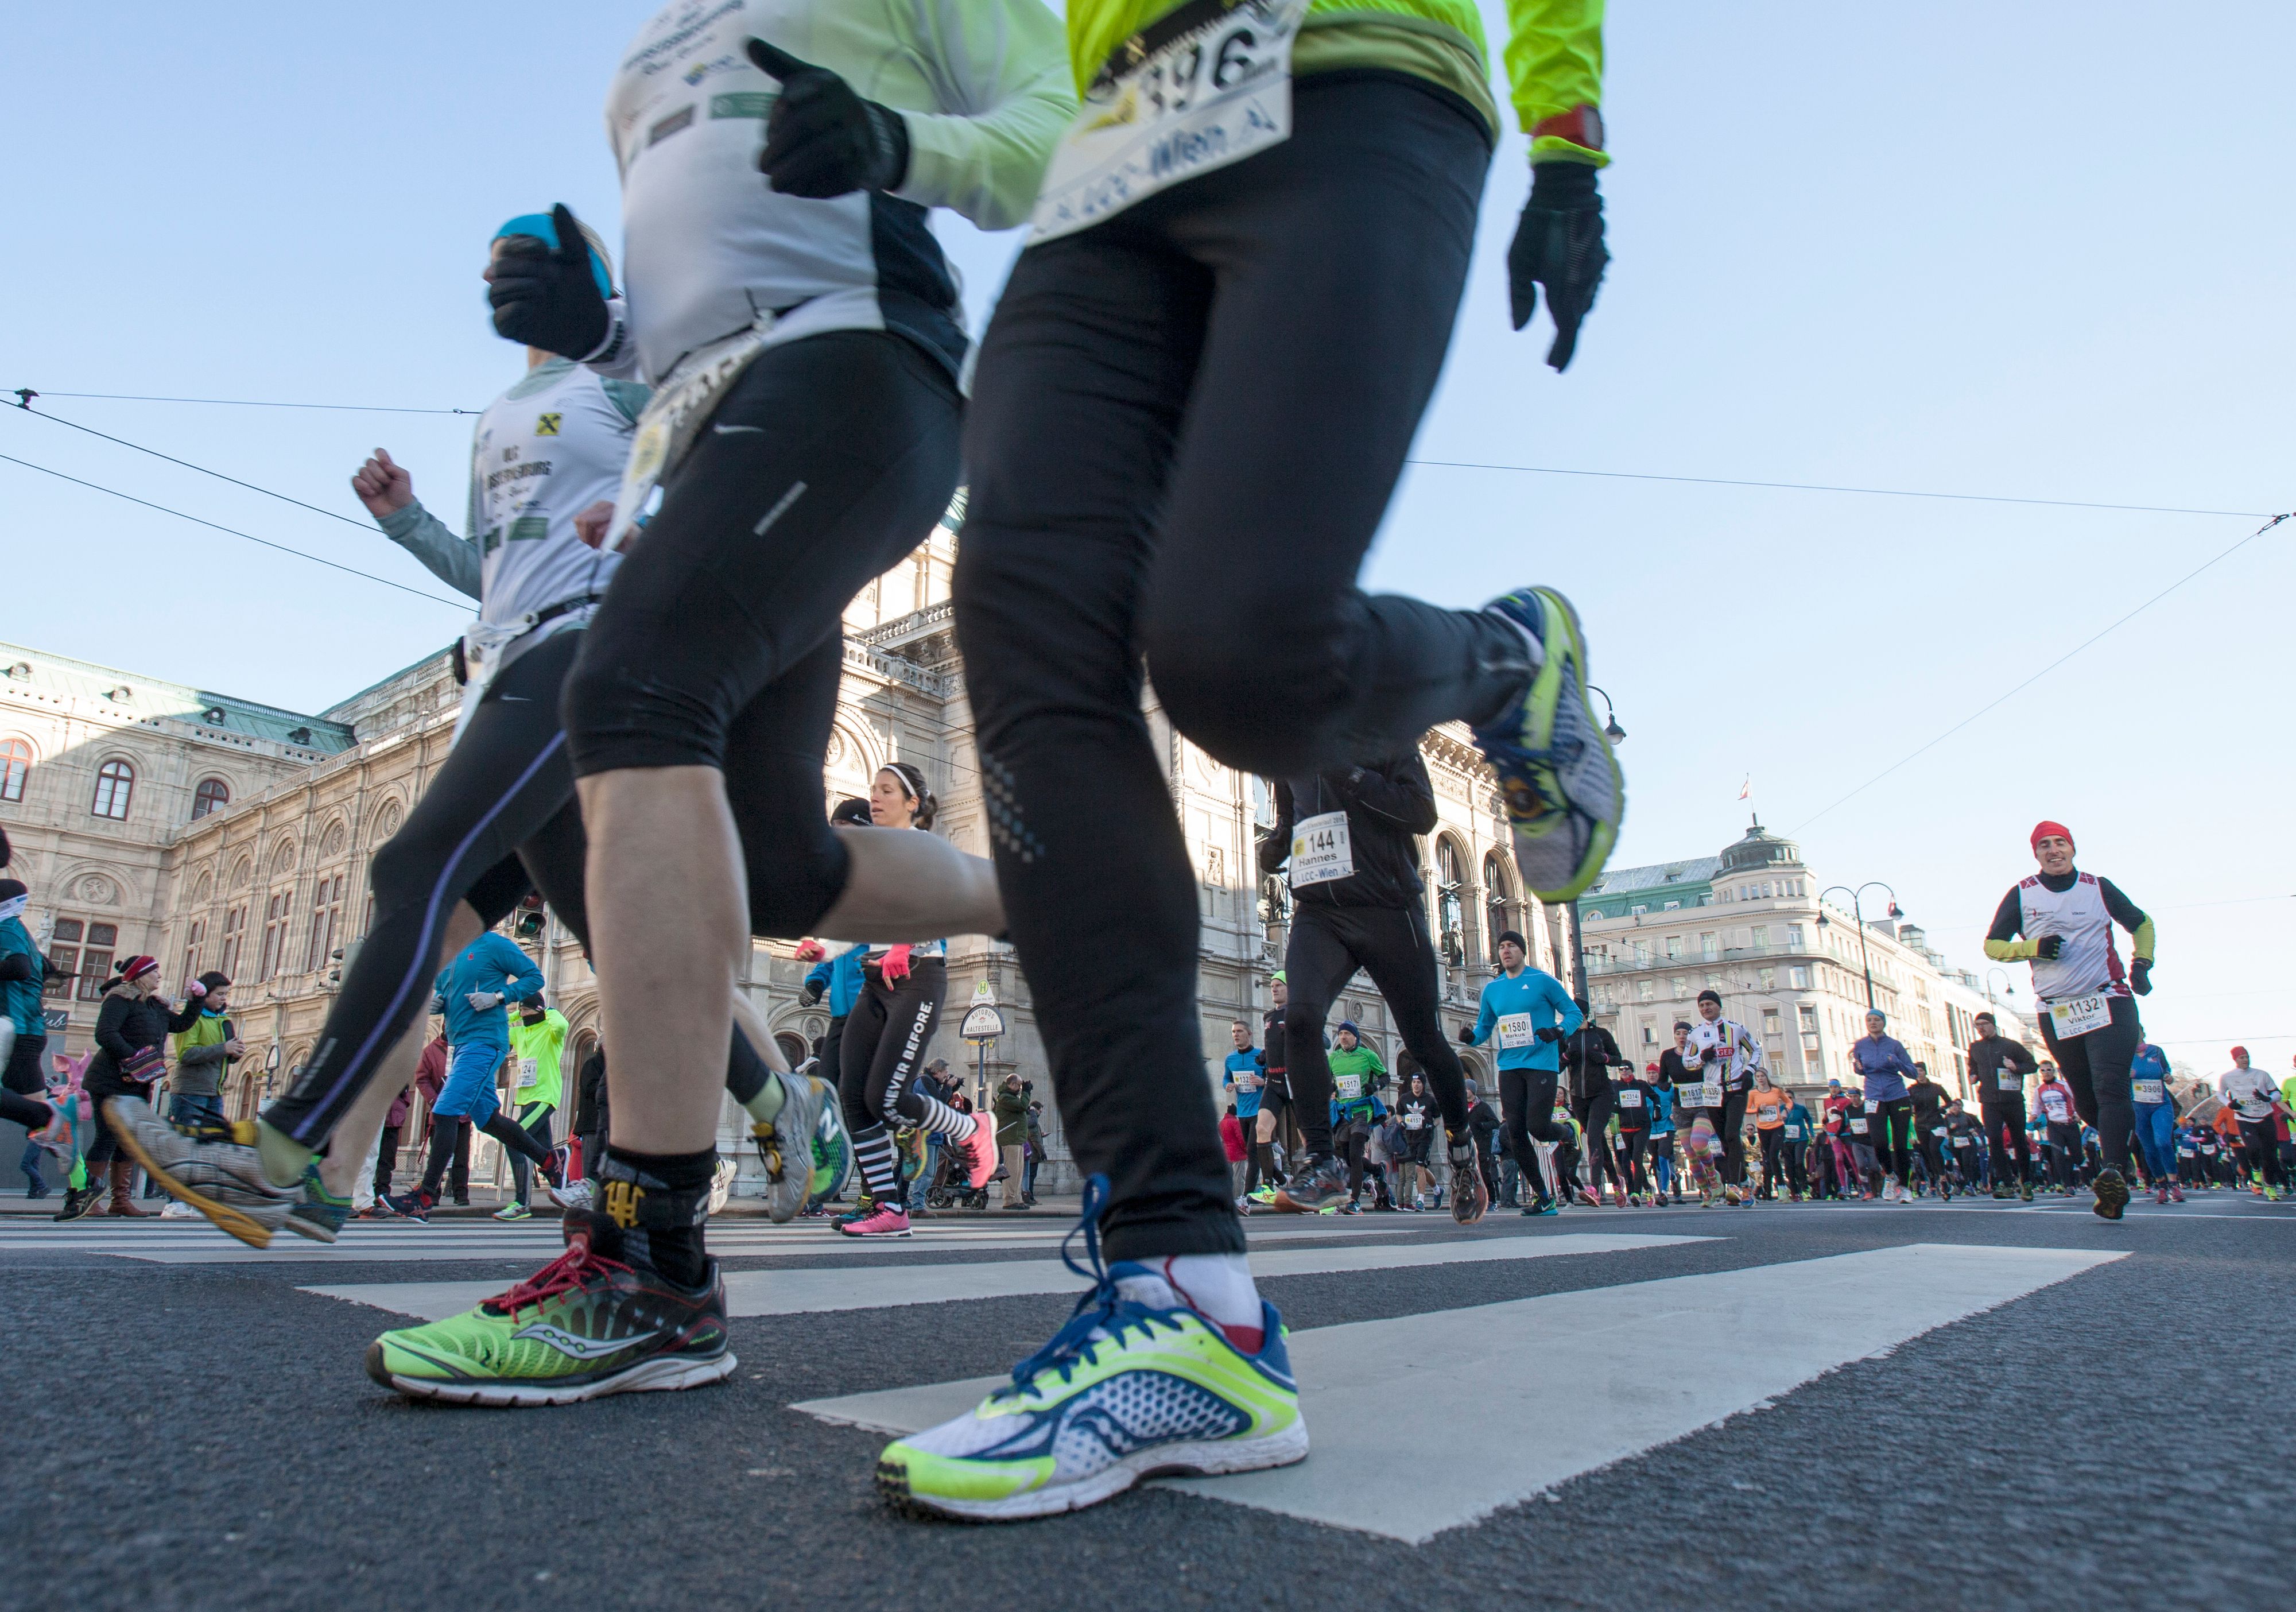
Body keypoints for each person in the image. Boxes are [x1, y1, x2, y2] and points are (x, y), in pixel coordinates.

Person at [886, 0, 1626, 1520]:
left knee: (1238, 658)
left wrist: (1566, 133)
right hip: (1116, 143)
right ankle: (1183, 1299)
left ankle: (1502, 659)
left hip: (1346, 74)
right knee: (1024, 633)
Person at [367, 4, 1069, 1404]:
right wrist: (599, 330)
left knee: (627, 691)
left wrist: (896, 141)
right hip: (703, 442)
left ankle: (654, 1263)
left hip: (853, 368)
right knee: (777, 864)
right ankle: (1057, 893)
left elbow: (1054, 136)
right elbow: (697, 296)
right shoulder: (655, 43)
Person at [1259, 755, 1487, 1222]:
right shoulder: (1290, 745)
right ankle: (1323, 1163)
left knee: (1424, 1040)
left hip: (1387, 908)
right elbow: (1291, 819)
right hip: (1319, 912)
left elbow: (1421, 814)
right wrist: (1278, 845)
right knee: (1299, 1020)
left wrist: (1354, 775)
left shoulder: (1384, 729)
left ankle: (1463, 1153)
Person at [1984, 820, 2154, 1220]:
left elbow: (2141, 923)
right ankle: (2122, 1152)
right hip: (2058, 1010)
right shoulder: (2023, 894)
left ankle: (2112, 1172)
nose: (2053, 850)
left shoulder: (2099, 886)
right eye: (2045, 845)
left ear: (2073, 849)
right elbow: (1992, 945)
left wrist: (2142, 964)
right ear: (2036, 854)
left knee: (2110, 1086)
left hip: (2108, 998)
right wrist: (2033, 947)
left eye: (2061, 842)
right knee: (2089, 1102)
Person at [1459, 932, 1581, 1213]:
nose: (1506, 951)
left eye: (1511, 946)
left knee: (1537, 1126)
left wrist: (1558, 1031)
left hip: (1541, 1064)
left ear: (1522, 951)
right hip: (1510, 1065)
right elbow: (1484, 1028)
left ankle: (1567, 1132)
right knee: (1515, 1132)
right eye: (1501, 947)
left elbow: (1574, 1014)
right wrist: (1470, 1038)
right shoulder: (1493, 989)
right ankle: (1543, 1196)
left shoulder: (1543, 981)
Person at [501, 993, 571, 1220]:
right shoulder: (520, 1032)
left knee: (514, 1139)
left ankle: (521, 1203)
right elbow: (499, 1028)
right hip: (525, 1097)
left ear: (539, 1011)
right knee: (547, 1151)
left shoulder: (552, 1033)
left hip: (545, 1095)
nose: (523, 1016)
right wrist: (515, 1011)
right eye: (521, 1012)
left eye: (527, 1012)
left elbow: (562, 1024)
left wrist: (545, 1010)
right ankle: (569, 1195)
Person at [1684, 990, 1763, 1191]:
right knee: (1723, 1138)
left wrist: (1749, 1071)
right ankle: (1745, 1180)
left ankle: (1734, 1185)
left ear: (1719, 1006)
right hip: (1712, 1093)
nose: (1706, 1009)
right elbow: (1687, 1062)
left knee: (1731, 1134)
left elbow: (1755, 1050)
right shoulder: (1695, 1033)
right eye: (1702, 1006)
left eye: (1709, 1004)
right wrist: (1702, 1057)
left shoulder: (1736, 1029)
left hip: (1736, 1088)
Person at [1315, 1021, 1388, 1213]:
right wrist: (1329, 1089)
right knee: (1348, 1159)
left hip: (1362, 1111)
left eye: (1347, 1034)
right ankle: (1376, 1170)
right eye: (1341, 1034)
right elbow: (1325, 1079)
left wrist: (1375, 1087)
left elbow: (1385, 1077)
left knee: (1356, 1154)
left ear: (1356, 1037)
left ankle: (1354, 1200)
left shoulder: (1368, 1055)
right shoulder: (1334, 1058)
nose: (1343, 1038)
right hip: (1342, 1111)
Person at [1562, 1003, 1630, 1206]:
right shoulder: (1567, 1037)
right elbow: (1557, 1066)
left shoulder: (1601, 1034)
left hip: (1602, 1093)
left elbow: (1618, 1059)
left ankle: (1594, 1189)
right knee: (1598, 1141)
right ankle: (1617, 1182)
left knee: (1592, 1137)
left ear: (1583, 1014)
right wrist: (1566, 1057)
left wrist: (1603, 1058)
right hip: (1578, 1096)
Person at [1848, 1010, 1919, 1203]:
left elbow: (1913, 1072)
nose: (1873, 1023)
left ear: (1884, 1023)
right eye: (1869, 1020)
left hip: (1897, 1096)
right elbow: (1859, 1067)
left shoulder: (1895, 1045)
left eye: (1877, 1020)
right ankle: (1890, 1176)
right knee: (1878, 1142)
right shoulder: (1860, 1045)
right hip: (1873, 1097)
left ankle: (1904, 1188)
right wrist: (1858, 1069)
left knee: (1900, 1143)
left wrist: (1896, 1061)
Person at [1968, 1010, 2038, 1201]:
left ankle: (2026, 1181)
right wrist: (1974, 1076)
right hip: (1989, 1101)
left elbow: (2033, 1065)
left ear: (1993, 1025)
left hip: (2013, 1100)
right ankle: (2006, 1183)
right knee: (1994, 1141)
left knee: (2019, 1142)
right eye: (1977, 1025)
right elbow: (1974, 1067)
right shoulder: (1975, 1048)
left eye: (1984, 1024)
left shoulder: (2011, 1045)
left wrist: (2017, 1068)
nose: (1981, 1028)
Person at [2219, 1046, 2286, 1200]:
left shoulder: (2262, 1075)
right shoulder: (2227, 1077)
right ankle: (2256, 1170)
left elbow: (2277, 1094)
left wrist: (2267, 1098)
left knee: (2270, 1156)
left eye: (2247, 1057)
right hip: (2244, 1118)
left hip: (2265, 1117)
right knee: (2253, 1147)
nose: (2245, 1060)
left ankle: (2270, 1187)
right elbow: (2220, 1094)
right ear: (2235, 1060)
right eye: (2242, 1057)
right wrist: (2230, 1104)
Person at [1252, 973, 1298, 1199]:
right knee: (1262, 1129)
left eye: (1279, 986)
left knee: (1308, 1136)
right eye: (1272, 986)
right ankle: (1269, 1186)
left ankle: (1321, 1188)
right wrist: (1265, 1056)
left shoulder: (1298, 1014)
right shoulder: (1268, 1016)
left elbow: (1322, 1042)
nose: (1274, 990)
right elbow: (1273, 1045)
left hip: (1296, 1082)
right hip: (1274, 1082)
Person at [1219, 1021, 1265, 1206]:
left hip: (1260, 1110)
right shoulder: (1231, 1059)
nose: (1236, 1035)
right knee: (1251, 1151)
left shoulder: (1261, 1055)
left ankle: (1246, 1196)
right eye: (1233, 1032)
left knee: (1253, 1152)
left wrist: (1263, 1081)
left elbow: (1275, 1077)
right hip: (1243, 1113)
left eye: (1239, 1031)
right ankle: (1282, 1178)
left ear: (1249, 1034)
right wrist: (1227, 1085)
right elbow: (1225, 1078)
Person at [1612, 1062, 1658, 1204]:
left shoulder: (1641, 1084)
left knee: (1637, 1159)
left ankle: (1636, 1194)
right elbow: (1610, 1102)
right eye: (1621, 1069)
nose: (1624, 1071)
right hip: (1625, 1128)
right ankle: (1648, 1188)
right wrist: (1615, 1109)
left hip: (1642, 1127)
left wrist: (1658, 1108)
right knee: (1631, 1161)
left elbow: (1655, 1097)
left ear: (1632, 1070)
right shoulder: (1616, 1086)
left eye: (1627, 1069)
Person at [1907, 1061, 1953, 1200]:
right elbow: (1907, 1105)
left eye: (1921, 1071)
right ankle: (1938, 1178)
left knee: (1934, 1149)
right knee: (1927, 1154)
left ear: (1925, 1072)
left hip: (1937, 1123)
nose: (1919, 1074)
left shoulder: (1936, 1088)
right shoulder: (1911, 1090)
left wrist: (1942, 1110)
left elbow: (1949, 1102)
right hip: (1921, 1125)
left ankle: (1944, 1179)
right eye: (1916, 1072)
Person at [2035, 1065, 2081, 1194]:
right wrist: (2034, 1116)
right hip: (2054, 1126)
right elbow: (2036, 1106)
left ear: (2053, 1071)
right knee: (2058, 1156)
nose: (2046, 1073)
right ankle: (2068, 1185)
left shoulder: (2064, 1086)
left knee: (2077, 1157)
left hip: (2070, 1124)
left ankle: (2075, 1169)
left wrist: (2078, 1114)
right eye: (2043, 1070)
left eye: (2049, 1070)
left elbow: (2076, 1099)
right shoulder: (2039, 1090)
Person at [1398, 1074, 1440, 1210]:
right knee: (1422, 1168)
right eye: (1414, 1082)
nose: (1416, 1085)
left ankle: (1421, 1201)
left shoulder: (1430, 1100)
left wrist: (1432, 1125)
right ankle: (1438, 1191)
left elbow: (1438, 1117)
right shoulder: (1404, 1098)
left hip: (1425, 1137)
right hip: (1411, 1137)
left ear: (1423, 1085)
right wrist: (1401, 1122)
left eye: (1419, 1082)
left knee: (1419, 1167)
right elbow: (1398, 1113)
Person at [1747, 1071, 1790, 1200]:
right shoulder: (1753, 1093)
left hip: (1777, 1126)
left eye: (1762, 1076)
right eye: (1758, 1077)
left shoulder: (1776, 1091)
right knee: (1769, 1159)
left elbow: (1789, 1102)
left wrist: (1785, 1111)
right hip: (1763, 1129)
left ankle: (1782, 1188)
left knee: (1773, 1155)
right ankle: (1773, 1189)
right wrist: (1758, 1110)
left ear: (1767, 1077)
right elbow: (1747, 1109)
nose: (1760, 1079)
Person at [995, 1073, 1031, 1211]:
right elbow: (1023, 1105)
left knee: (1018, 1172)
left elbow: (1022, 1106)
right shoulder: (1005, 1098)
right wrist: (1027, 1093)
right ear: (1012, 1085)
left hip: (1017, 1139)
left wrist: (1025, 1092)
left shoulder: (1011, 1097)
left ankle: (1017, 1198)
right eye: (1020, 1085)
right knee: (1011, 1171)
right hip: (1010, 1138)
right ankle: (1009, 1200)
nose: (1021, 1088)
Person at [1646, 1060, 1680, 1202]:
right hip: (1650, 1131)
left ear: (1659, 1074)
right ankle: (1674, 1177)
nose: (1652, 1075)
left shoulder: (1668, 1089)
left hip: (1667, 1128)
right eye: (1649, 1073)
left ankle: (1664, 1193)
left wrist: (1675, 1114)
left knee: (1663, 1158)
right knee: (1657, 1163)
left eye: (1654, 1073)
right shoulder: (1644, 1089)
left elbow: (1678, 1103)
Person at [1774, 1090, 1813, 1200]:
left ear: (1794, 1098)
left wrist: (1811, 1132)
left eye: (1790, 1098)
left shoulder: (1801, 1108)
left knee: (1799, 1163)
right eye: (1786, 1098)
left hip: (1801, 1139)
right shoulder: (1780, 1110)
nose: (1788, 1100)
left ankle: (1805, 1189)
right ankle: (1795, 1192)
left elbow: (1809, 1119)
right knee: (1789, 1167)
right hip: (1786, 1141)